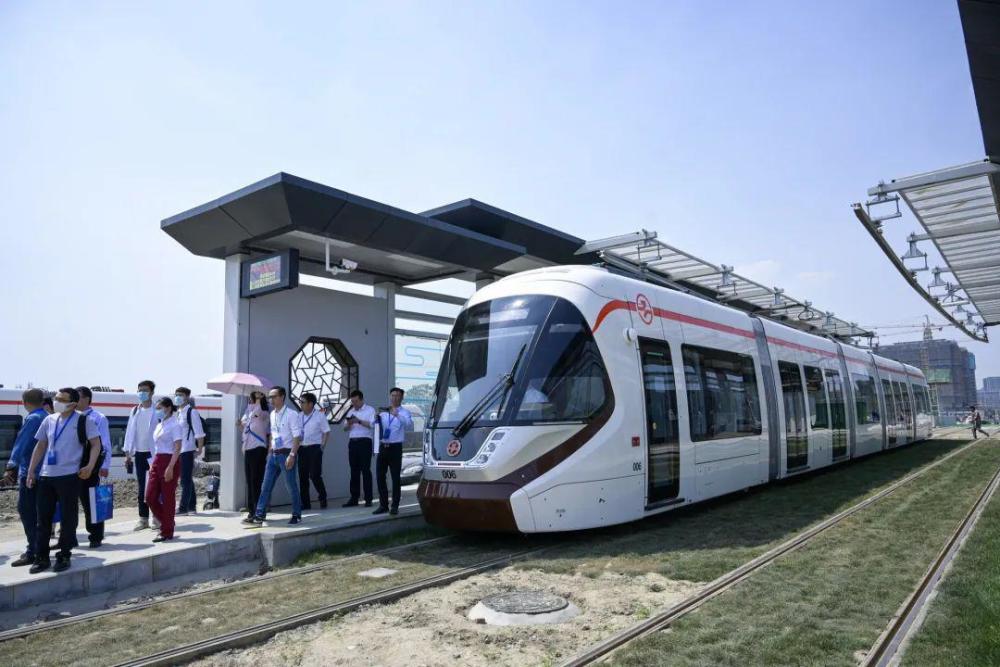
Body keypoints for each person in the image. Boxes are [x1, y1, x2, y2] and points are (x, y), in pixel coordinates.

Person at [26, 388, 102, 573]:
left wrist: (90, 466)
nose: (56, 401)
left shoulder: (84, 420)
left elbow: (96, 444)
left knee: (68, 519)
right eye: (56, 398)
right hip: (46, 475)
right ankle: (42, 557)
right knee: (43, 519)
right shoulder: (49, 420)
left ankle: (64, 554)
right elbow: (41, 445)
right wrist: (31, 471)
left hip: (70, 476)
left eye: (61, 399)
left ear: (73, 404)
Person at [245, 386, 303, 526]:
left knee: (291, 485)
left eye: (274, 396)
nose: (271, 399)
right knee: (266, 486)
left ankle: (296, 514)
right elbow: (272, 434)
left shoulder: (291, 414)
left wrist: (292, 455)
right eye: (269, 397)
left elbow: (297, 437)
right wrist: (270, 451)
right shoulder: (272, 414)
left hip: (286, 453)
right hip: (273, 455)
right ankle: (259, 514)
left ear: (282, 397)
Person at [3, 389, 47, 567]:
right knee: (40, 514)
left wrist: (10, 466)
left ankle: (33, 551)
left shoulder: (33, 418)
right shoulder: (47, 416)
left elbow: (22, 443)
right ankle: (39, 548)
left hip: (30, 473)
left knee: (27, 511)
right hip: (44, 472)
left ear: (24, 402)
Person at [76, 386, 111, 548]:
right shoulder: (70, 417)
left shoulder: (98, 418)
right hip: (71, 466)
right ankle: (68, 536)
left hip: (90, 465)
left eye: (78, 397)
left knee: (91, 502)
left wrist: (105, 465)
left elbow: (104, 443)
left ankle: (95, 535)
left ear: (87, 399)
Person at [145, 397, 183, 542]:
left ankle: (166, 531)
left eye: (159, 408)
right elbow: (157, 447)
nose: (157, 410)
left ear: (168, 408)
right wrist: (153, 464)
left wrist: (170, 467)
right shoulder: (159, 425)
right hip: (157, 460)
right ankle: (168, 522)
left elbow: (177, 448)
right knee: (150, 497)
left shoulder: (175, 425)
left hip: (170, 460)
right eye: (156, 408)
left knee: (168, 498)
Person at [123, 380, 158, 531]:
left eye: (145, 390)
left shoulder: (157, 410)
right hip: (139, 454)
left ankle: (157, 517)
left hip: (154, 454)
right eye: (140, 390)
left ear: (152, 392)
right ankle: (143, 519)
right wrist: (127, 453)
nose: (141, 393)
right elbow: (129, 432)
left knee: (155, 486)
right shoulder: (134, 410)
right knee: (142, 486)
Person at [374, 387, 413, 516]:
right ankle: (383, 505)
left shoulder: (405, 412)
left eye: (397, 396)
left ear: (401, 398)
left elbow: (408, 424)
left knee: (395, 477)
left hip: (395, 448)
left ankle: (395, 505)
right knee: (380, 476)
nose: (395, 398)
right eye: (393, 395)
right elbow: (375, 426)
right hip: (383, 447)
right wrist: (375, 418)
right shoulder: (384, 412)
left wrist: (397, 415)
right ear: (390, 397)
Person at [173, 387, 205, 515]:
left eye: (180, 395)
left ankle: (183, 508)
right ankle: (192, 507)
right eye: (176, 394)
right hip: (179, 450)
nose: (177, 397)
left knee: (185, 480)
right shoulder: (178, 412)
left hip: (187, 449)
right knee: (187, 479)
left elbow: (199, 433)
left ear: (187, 397)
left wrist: (199, 449)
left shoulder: (192, 412)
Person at [342, 389, 376, 508]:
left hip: (365, 442)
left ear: (361, 400)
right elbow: (344, 429)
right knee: (354, 471)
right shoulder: (350, 411)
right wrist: (349, 423)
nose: (354, 404)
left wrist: (359, 421)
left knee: (365, 470)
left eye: (356, 401)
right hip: (353, 443)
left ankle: (368, 499)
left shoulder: (370, 410)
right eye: (352, 401)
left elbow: (372, 425)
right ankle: (354, 498)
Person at [240, 391, 270, 522]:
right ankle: (252, 511)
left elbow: (259, 415)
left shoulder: (264, 411)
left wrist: (259, 399)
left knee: (256, 481)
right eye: (254, 394)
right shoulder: (248, 411)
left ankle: (259, 511)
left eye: (258, 394)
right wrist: (240, 424)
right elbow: (246, 427)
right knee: (250, 481)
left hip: (259, 448)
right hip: (248, 448)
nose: (254, 397)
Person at [297, 393, 330, 510]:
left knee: (315, 475)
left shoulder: (320, 416)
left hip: (315, 448)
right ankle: (305, 503)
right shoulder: (299, 416)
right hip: (301, 449)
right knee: (303, 477)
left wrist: (322, 447)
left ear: (310, 404)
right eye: (300, 402)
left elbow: (326, 432)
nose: (300, 404)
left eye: (302, 402)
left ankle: (322, 497)